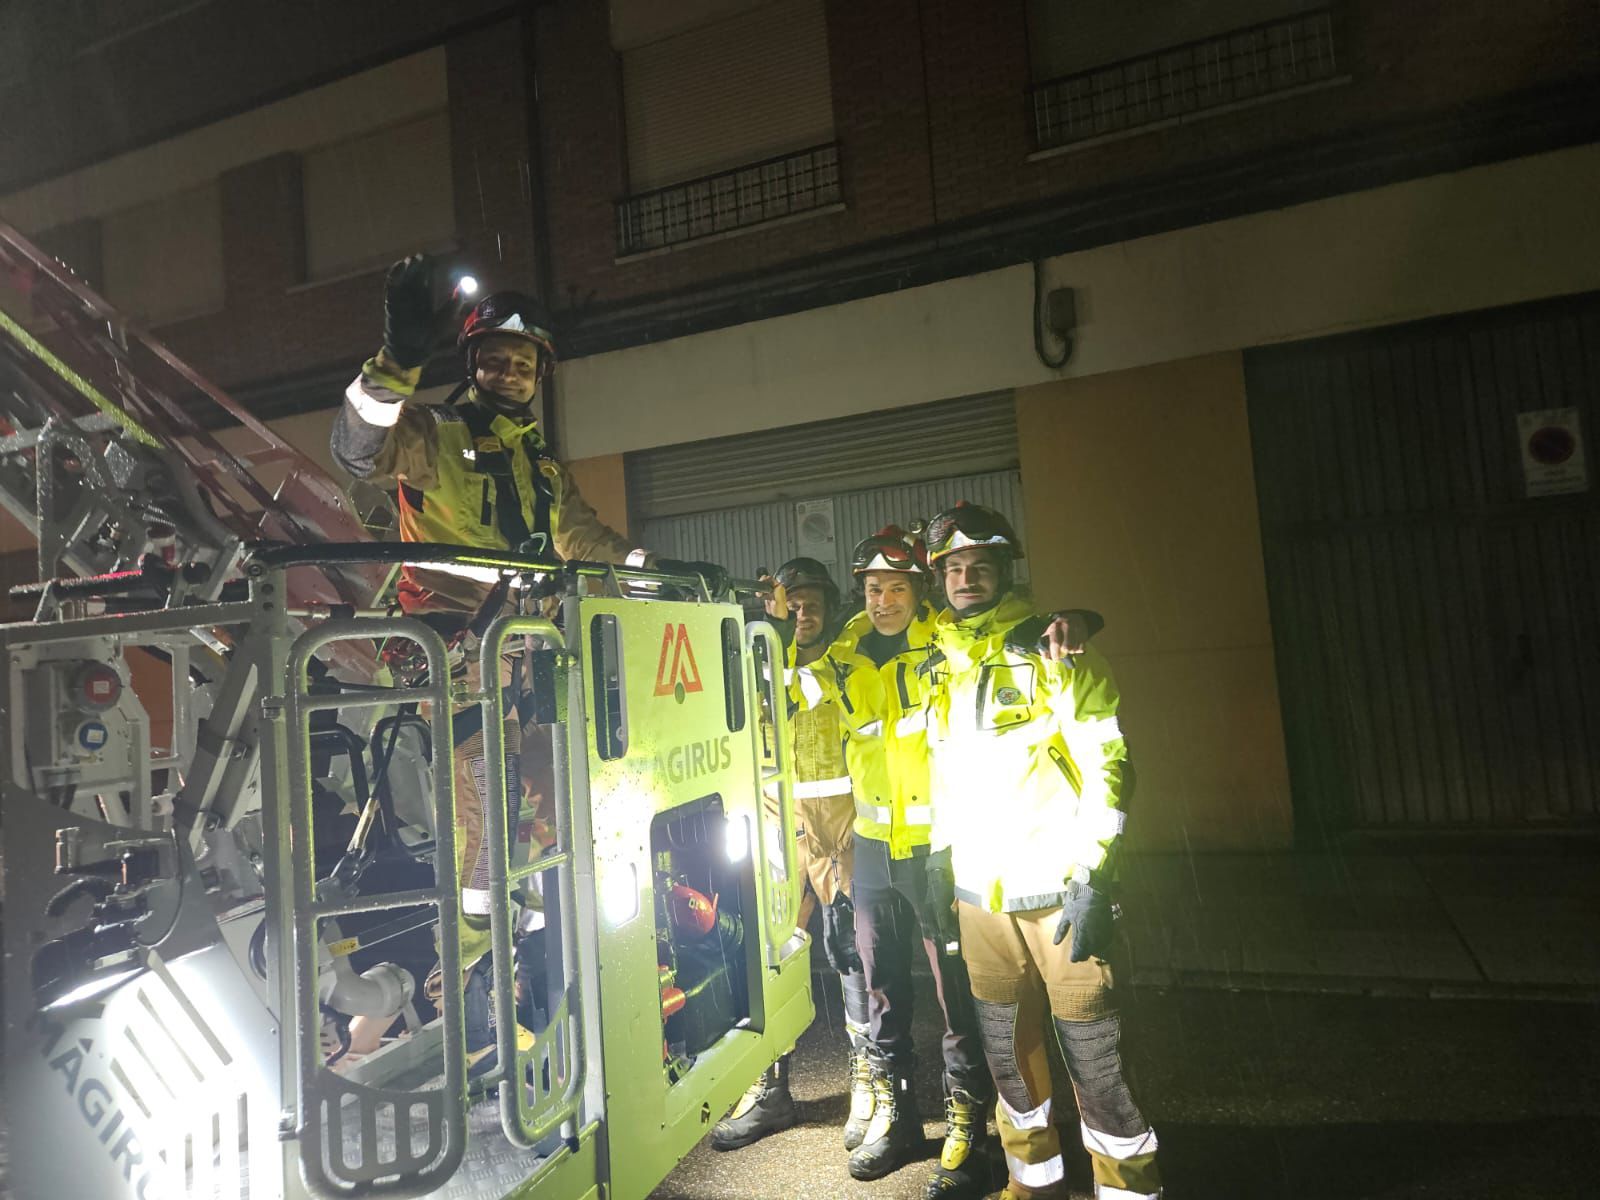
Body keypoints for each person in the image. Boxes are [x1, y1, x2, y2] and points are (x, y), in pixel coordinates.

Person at [330, 253, 719, 1073]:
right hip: (465, 662)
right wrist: (398, 358)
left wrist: (668, 574)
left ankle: (542, 1006)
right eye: (496, 358)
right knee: (479, 847)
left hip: (533, 666)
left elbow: (586, 539)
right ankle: (473, 1007)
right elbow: (358, 448)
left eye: (525, 362)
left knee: (542, 835)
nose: (511, 372)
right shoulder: (434, 437)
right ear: (470, 364)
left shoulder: (538, 461)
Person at [921, 502, 1160, 1200]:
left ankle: (1129, 1191)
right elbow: (944, 772)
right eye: (954, 568)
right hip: (980, 900)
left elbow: (1110, 762)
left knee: (1098, 1060)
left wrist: (1095, 870)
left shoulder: (1055, 649)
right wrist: (942, 858)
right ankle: (1035, 1188)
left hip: (1059, 893)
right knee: (1009, 1062)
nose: (966, 578)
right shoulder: (945, 664)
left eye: (980, 566)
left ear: (1004, 572)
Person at [710, 558, 875, 1152]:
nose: (802, 615)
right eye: (791, 607)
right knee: (768, 958)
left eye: (810, 605)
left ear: (830, 608)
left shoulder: (845, 662)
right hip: (779, 829)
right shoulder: (757, 667)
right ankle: (769, 1086)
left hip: (842, 828)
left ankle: (870, 1082)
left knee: (856, 958)